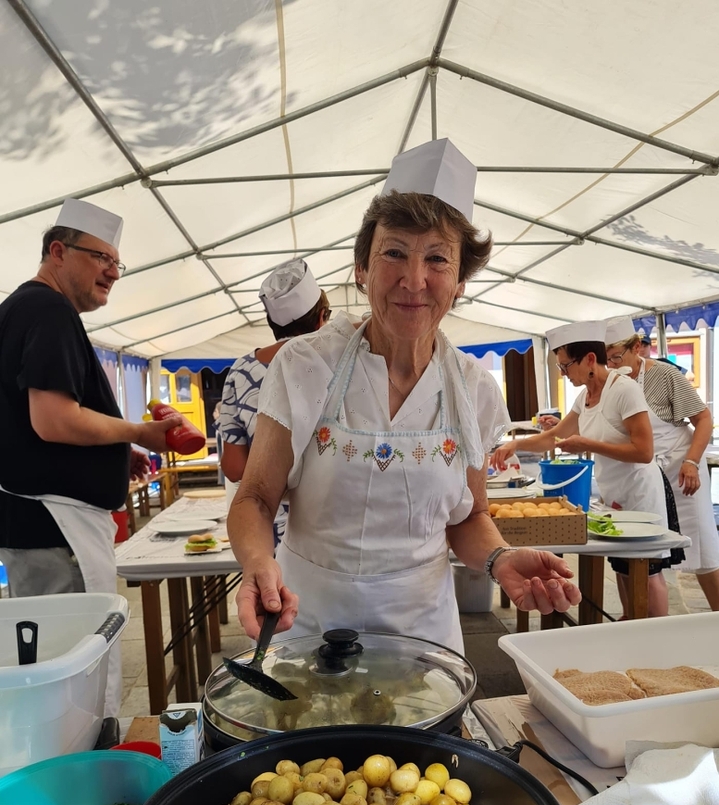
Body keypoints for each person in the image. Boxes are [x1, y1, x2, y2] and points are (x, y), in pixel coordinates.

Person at [229, 137, 581, 649]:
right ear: (362, 269)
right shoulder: (304, 365)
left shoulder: (474, 389)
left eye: (437, 259)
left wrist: (499, 558)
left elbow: (470, 516)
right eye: (394, 253)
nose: (414, 281)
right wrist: (258, 562)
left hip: (423, 635)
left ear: (460, 282)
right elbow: (255, 497)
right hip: (306, 624)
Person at [0, 198, 180, 714]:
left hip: (40, 526)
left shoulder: (22, 309)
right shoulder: (48, 310)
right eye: (101, 258)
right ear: (58, 252)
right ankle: (80, 759)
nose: (112, 272)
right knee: (70, 681)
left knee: (50, 668)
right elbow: (53, 419)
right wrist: (140, 433)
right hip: (57, 530)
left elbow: (29, 428)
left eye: (117, 262)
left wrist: (116, 451)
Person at [492, 319, 670, 618]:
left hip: (640, 492)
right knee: (623, 568)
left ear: (589, 359)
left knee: (646, 570)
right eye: (559, 367)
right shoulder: (584, 396)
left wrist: (587, 443)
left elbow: (644, 451)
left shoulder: (624, 390)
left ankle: (656, 634)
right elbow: (554, 436)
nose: (563, 373)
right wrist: (516, 444)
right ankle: (630, 624)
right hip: (613, 492)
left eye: (566, 365)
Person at [606, 316, 719, 611]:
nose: (612, 365)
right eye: (606, 359)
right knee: (637, 554)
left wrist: (692, 461)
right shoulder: (609, 383)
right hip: (643, 478)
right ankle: (634, 618)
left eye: (616, 357)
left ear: (636, 348)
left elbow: (703, 419)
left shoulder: (664, 375)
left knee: (704, 551)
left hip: (681, 471)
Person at [219, 259, 330, 544]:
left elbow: (233, 467)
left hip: (267, 530)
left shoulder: (241, 371)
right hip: (330, 531)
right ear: (322, 318)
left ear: (271, 323)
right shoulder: (338, 364)